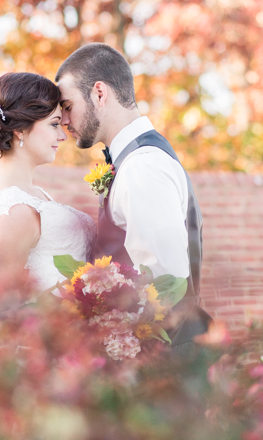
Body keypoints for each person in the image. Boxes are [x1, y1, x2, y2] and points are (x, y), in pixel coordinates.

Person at [55, 43, 212, 355]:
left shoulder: (142, 166)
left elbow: (166, 286)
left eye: (67, 106)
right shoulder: (133, 161)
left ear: (99, 93)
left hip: (164, 362)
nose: (63, 121)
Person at [0, 72, 96, 336]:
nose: (63, 135)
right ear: (21, 128)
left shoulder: (32, 194)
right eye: (54, 124)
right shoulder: (14, 211)